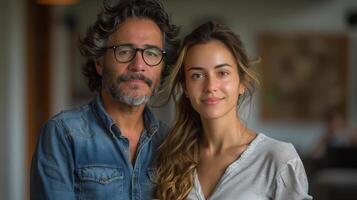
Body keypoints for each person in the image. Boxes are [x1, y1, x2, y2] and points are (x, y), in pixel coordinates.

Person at [30, 0, 179, 199]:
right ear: (99, 62)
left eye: (151, 53)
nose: (138, 65)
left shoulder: (171, 143)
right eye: (125, 51)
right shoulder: (64, 134)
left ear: (162, 68)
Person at [155, 21, 312, 200]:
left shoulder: (278, 159)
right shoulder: (171, 157)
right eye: (197, 75)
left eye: (222, 73)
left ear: (242, 83)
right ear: (186, 89)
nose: (210, 86)